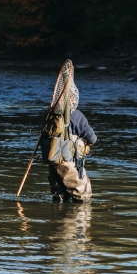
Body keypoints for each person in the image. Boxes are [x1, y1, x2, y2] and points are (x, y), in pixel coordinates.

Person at [40, 72, 97, 202]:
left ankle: (56, 219)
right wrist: (89, 142)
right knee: (82, 197)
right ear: (72, 99)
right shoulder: (76, 115)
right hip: (68, 163)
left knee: (59, 198)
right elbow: (92, 138)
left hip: (53, 164)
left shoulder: (50, 116)